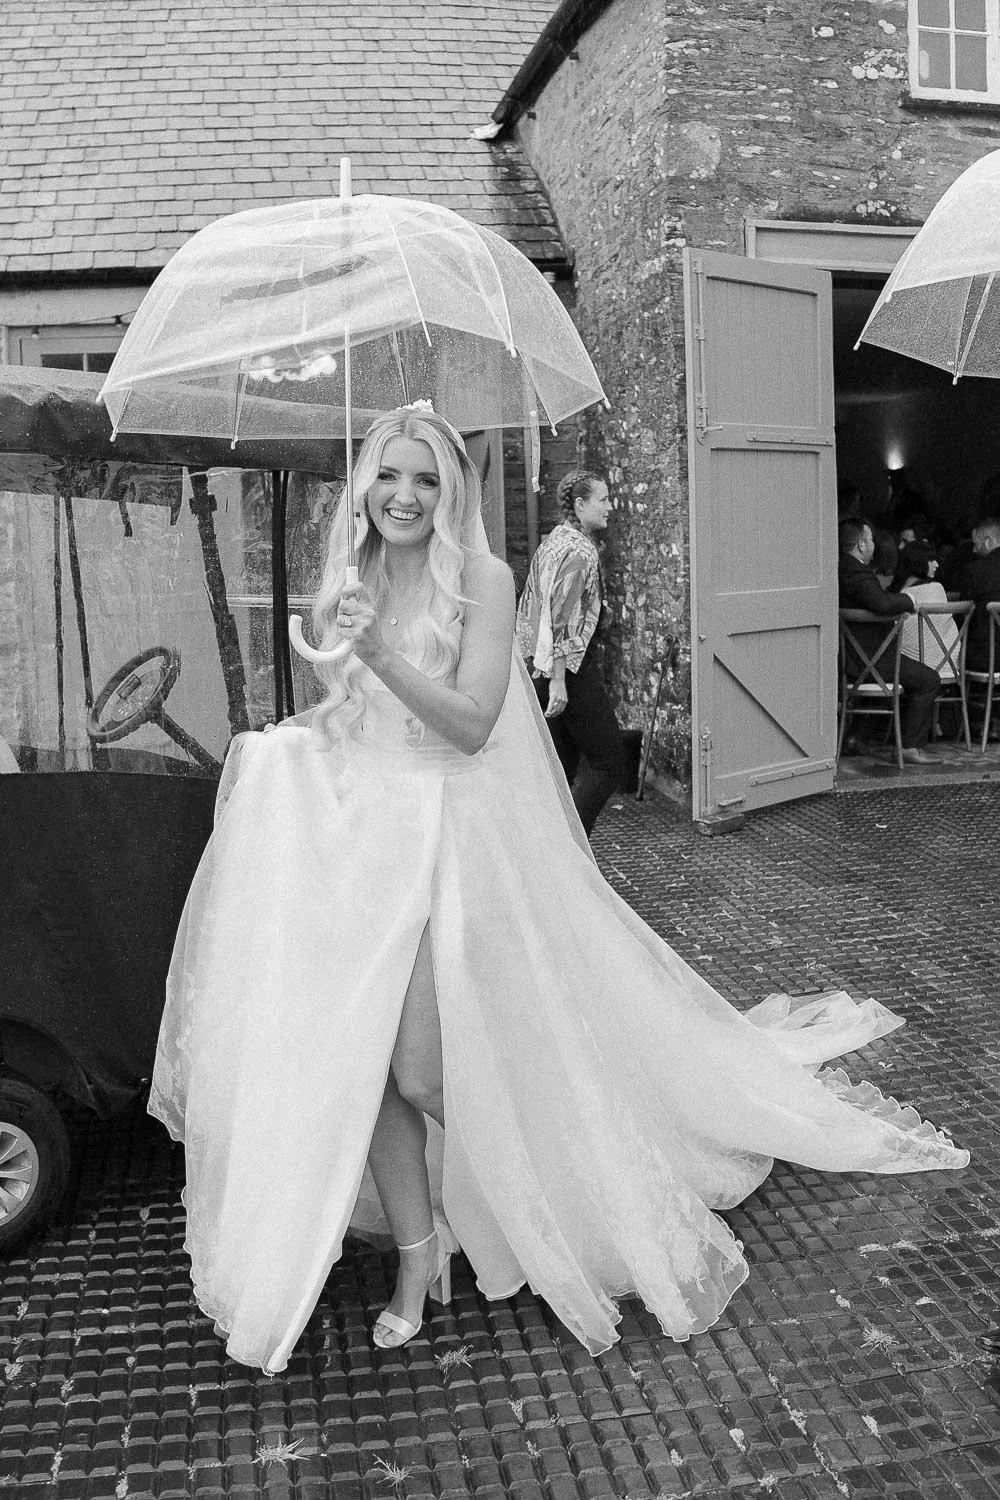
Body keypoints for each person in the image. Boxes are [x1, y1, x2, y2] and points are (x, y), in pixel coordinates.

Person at [149, 407, 969, 1377]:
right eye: (388, 477)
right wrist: (311, 713)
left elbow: (468, 721)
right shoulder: (353, 581)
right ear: (363, 487)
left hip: (447, 841)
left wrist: (374, 655)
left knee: (421, 1073)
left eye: (425, 479)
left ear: (451, 491)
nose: (404, 496)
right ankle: (420, 1262)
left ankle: (576, 1187)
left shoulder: (487, 582)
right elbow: (346, 716)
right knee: (363, 1073)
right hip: (356, 843)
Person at [515, 471, 625, 835]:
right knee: (609, 762)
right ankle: (573, 845)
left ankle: (553, 854)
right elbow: (561, 615)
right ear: (580, 505)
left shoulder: (553, 541)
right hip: (569, 670)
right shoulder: (579, 550)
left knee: (562, 767)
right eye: (603, 499)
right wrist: (560, 680)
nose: (611, 506)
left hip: (539, 666)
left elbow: (536, 602)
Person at [838, 518, 940, 764]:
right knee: (928, 679)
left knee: (893, 684)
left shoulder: (840, 568)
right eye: (871, 539)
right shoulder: (857, 573)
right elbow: (881, 603)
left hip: (854, 658)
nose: (874, 544)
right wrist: (909, 601)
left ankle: (856, 737)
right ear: (862, 545)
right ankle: (909, 747)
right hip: (869, 660)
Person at [894, 542, 961, 679]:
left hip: (909, 665)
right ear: (916, 561)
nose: (936, 564)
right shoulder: (936, 589)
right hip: (948, 664)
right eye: (931, 560)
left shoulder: (896, 596)